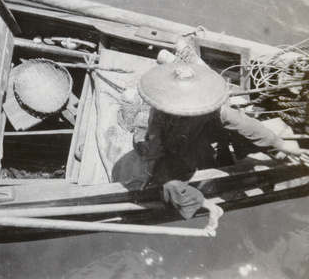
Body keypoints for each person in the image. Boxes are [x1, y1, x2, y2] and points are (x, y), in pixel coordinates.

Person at [132, 63, 309, 232]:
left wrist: (283, 145)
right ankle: (209, 206)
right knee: (170, 186)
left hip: (199, 141)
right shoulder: (160, 110)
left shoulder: (209, 108)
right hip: (174, 152)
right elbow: (153, 140)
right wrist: (149, 169)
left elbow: (245, 124)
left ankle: (274, 153)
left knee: (242, 132)